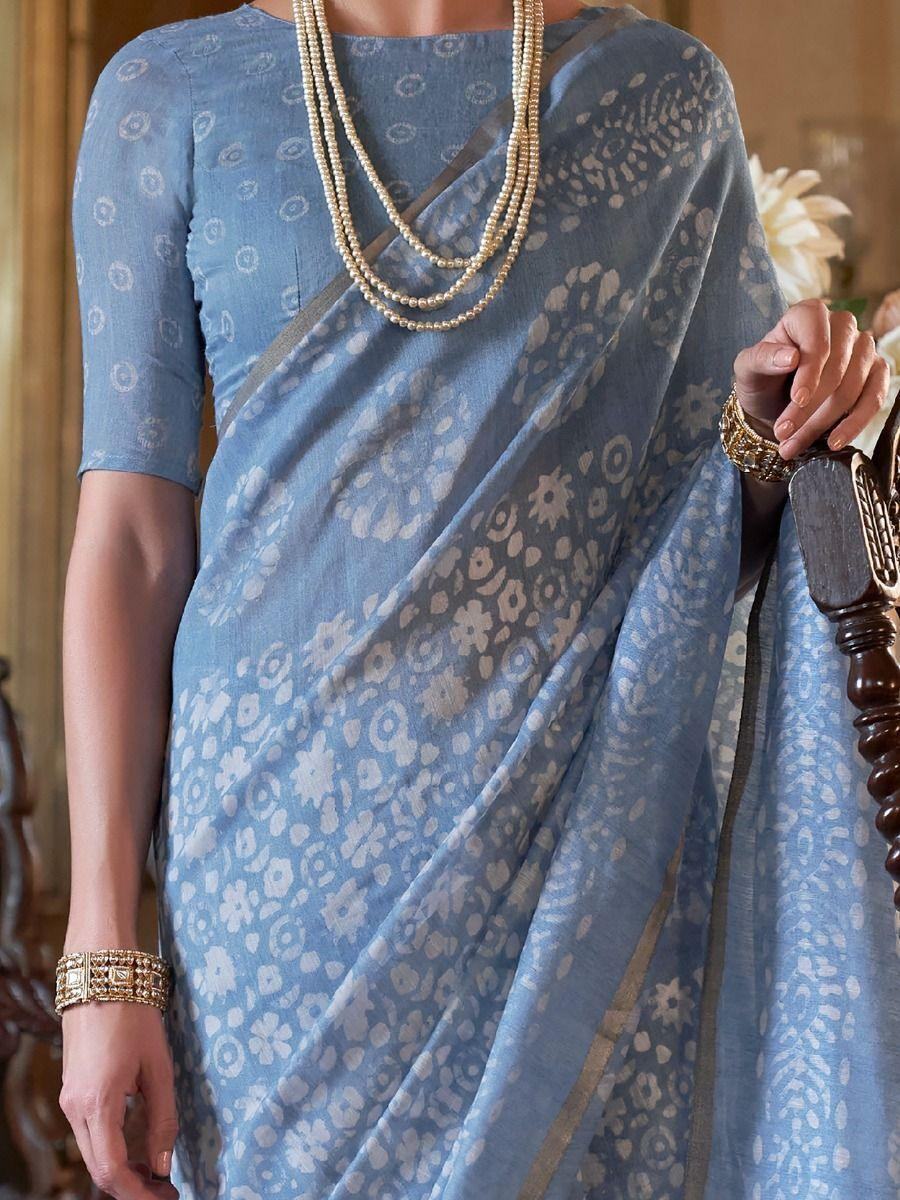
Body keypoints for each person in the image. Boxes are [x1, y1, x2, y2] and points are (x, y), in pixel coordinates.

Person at [58, 1, 899, 1197]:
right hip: (272, 881)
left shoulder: (660, 97)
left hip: (577, 837)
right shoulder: (170, 93)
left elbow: (703, 523)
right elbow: (132, 539)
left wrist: (786, 416)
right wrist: (104, 956)